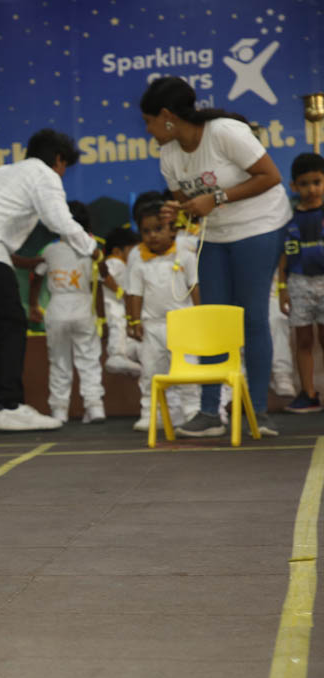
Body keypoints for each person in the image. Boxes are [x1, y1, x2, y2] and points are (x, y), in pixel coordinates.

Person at [140, 76, 291, 438]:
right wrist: (177, 211)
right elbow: (192, 208)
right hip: (216, 235)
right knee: (211, 318)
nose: (147, 130)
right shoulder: (168, 155)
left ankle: (257, 411)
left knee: (252, 315)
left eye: (149, 121)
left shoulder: (224, 132)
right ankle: (210, 412)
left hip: (260, 225)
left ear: (167, 116)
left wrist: (217, 198)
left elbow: (270, 176)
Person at [0, 129, 96, 431]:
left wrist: (26, 261)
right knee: (10, 323)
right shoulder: (44, 174)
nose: (63, 174)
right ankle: (10, 405)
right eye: (64, 167)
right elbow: (59, 220)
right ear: (59, 159)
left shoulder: (2, 173)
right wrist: (91, 247)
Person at [126, 195, 201, 432]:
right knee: (150, 372)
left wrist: (201, 317)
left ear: (172, 229)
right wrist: (134, 321)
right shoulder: (138, 258)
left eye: (158, 229)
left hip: (184, 324)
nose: (152, 236)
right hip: (152, 326)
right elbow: (134, 293)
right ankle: (151, 413)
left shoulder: (185, 253)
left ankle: (192, 411)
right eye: (146, 231)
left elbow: (195, 286)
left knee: (188, 369)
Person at [29, 235, 105, 424]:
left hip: (57, 308)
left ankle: (59, 410)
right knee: (89, 359)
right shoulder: (90, 249)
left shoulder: (50, 250)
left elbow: (36, 277)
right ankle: (95, 406)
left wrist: (33, 304)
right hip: (84, 307)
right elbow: (99, 284)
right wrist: (102, 318)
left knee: (59, 361)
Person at [279, 152, 324, 413]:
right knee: (303, 340)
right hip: (298, 283)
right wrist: (282, 288)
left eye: (317, 182)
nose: (311, 189)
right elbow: (284, 255)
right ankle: (308, 394)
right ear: (294, 186)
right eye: (304, 184)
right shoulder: (288, 218)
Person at [101, 227, 142, 376]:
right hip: (109, 305)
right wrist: (118, 290)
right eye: (133, 251)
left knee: (123, 328)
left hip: (116, 306)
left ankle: (127, 354)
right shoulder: (115, 262)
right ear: (117, 251)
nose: (137, 255)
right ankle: (116, 355)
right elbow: (103, 276)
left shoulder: (125, 266)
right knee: (118, 322)